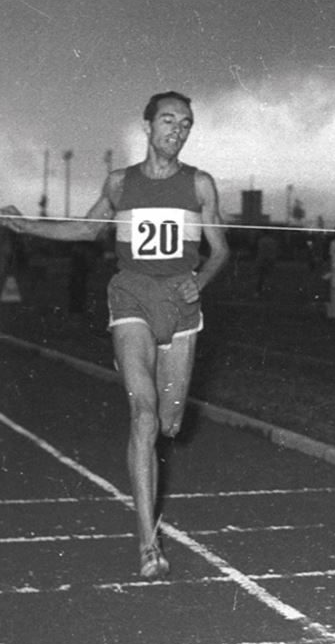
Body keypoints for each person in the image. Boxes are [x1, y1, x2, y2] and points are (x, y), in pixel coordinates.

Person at [1, 91, 230, 580]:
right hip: (131, 298)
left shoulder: (200, 184)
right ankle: (148, 543)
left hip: (181, 305)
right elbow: (88, 230)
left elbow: (220, 250)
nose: (177, 130)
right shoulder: (121, 183)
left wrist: (201, 280)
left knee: (169, 423)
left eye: (185, 123)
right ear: (147, 126)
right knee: (143, 416)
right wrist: (26, 227)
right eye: (168, 120)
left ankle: (143, 372)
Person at [253, 231, 279, 298]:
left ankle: (259, 291)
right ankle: (267, 291)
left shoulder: (261, 240)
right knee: (269, 276)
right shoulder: (273, 241)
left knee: (261, 276)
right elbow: (274, 251)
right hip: (270, 259)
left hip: (262, 259)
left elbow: (259, 250)